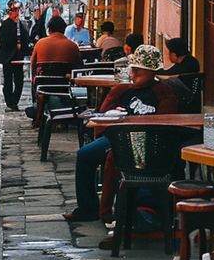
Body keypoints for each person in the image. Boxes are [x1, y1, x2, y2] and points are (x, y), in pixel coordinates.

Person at [64, 45, 179, 224]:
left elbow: (164, 122)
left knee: (117, 158)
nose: (134, 74)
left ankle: (119, 212)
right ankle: (88, 208)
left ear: (151, 72)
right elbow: (103, 115)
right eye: (134, 69)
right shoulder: (122, 90)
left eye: (139, 70)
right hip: (115, 137)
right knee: (84, 155)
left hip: (147, 140)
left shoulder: (163, 92)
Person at [0, 2, 33, 111]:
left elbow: (26, 37)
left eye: (17, 11)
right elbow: (2, 39)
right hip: (8, 56)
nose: (16, 13)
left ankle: (15, 101)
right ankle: (10, 101)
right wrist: (14, 44)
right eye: (14, 11)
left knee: (19, 80)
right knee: (8, 81)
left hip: (18, 56)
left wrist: (23, 46)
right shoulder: (6, 24)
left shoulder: (20, 24)